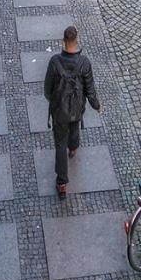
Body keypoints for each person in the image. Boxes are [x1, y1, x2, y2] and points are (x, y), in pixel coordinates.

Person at [43, 26, 102, 200]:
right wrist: (97, 105)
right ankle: (74, 147)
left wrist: (54, 100)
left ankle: (62, 183)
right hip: (76, 108)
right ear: (77, 42)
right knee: (75, 124)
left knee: (59, 144)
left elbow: (47, 90)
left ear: (63, 41)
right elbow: (90, 90)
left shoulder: (55, 62)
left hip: (59, 110)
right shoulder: (84, 63)